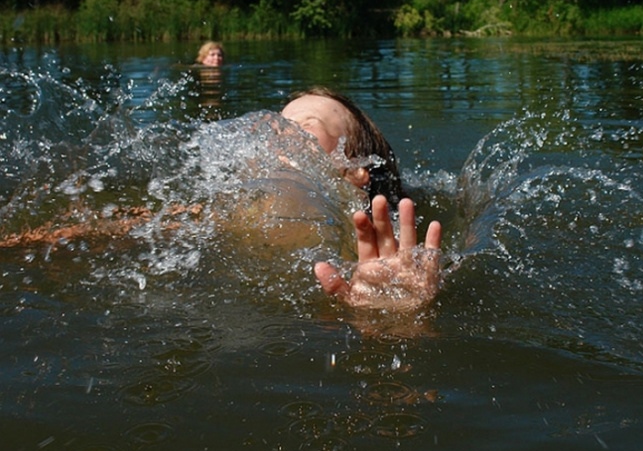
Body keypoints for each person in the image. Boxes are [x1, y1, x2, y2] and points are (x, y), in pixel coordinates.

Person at [0, 87, 443, 311]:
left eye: (302, 127)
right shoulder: (213, 211)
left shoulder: (377, 254)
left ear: (354, 173)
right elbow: (83, 235)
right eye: (275, 123)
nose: (275, 133)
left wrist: (390, 314)